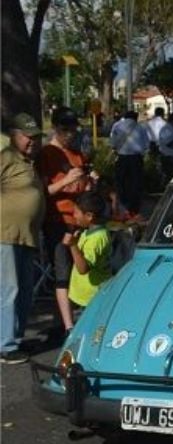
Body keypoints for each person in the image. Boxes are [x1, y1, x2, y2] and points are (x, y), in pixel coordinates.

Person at [38, 107, 97, 337]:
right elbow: (44, 190)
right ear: (55, 128)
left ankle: (84, 319)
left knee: (82, 270)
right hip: (58, 219)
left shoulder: (77, 154)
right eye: (65, 129)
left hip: (80, 218)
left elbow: (83, 188)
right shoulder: (47, 154)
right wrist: (66, 182)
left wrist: (90, 183)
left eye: (73, 129)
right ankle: (68, 326)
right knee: (62, 271)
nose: (70, 134)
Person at [0, 113, 45, 364]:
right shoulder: (5, 157)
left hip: (26, 236)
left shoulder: (28, 161)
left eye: (35, 137)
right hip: (5, 234)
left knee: (26, 290)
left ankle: (14, 338)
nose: (32, 141)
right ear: (14, 135)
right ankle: (5, 346)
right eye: (28, 137)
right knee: (9, 290)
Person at [62, 192, 111, 310]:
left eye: (76, 212)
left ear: (89, 216)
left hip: (91, 299)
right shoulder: (87, 232)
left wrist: (73, 245)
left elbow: (83, 268)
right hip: (84, 297)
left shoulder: (97, 238)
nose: (74, 215)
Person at [109, 110, 148, 217]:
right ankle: (134, 209)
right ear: (136, 118)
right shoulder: (141, 127)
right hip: (136, 159)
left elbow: (112, 143)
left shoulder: (117, 126)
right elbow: (146, 145)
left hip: (122, 159)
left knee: (121, 183)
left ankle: (122, 206)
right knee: (135, 184)